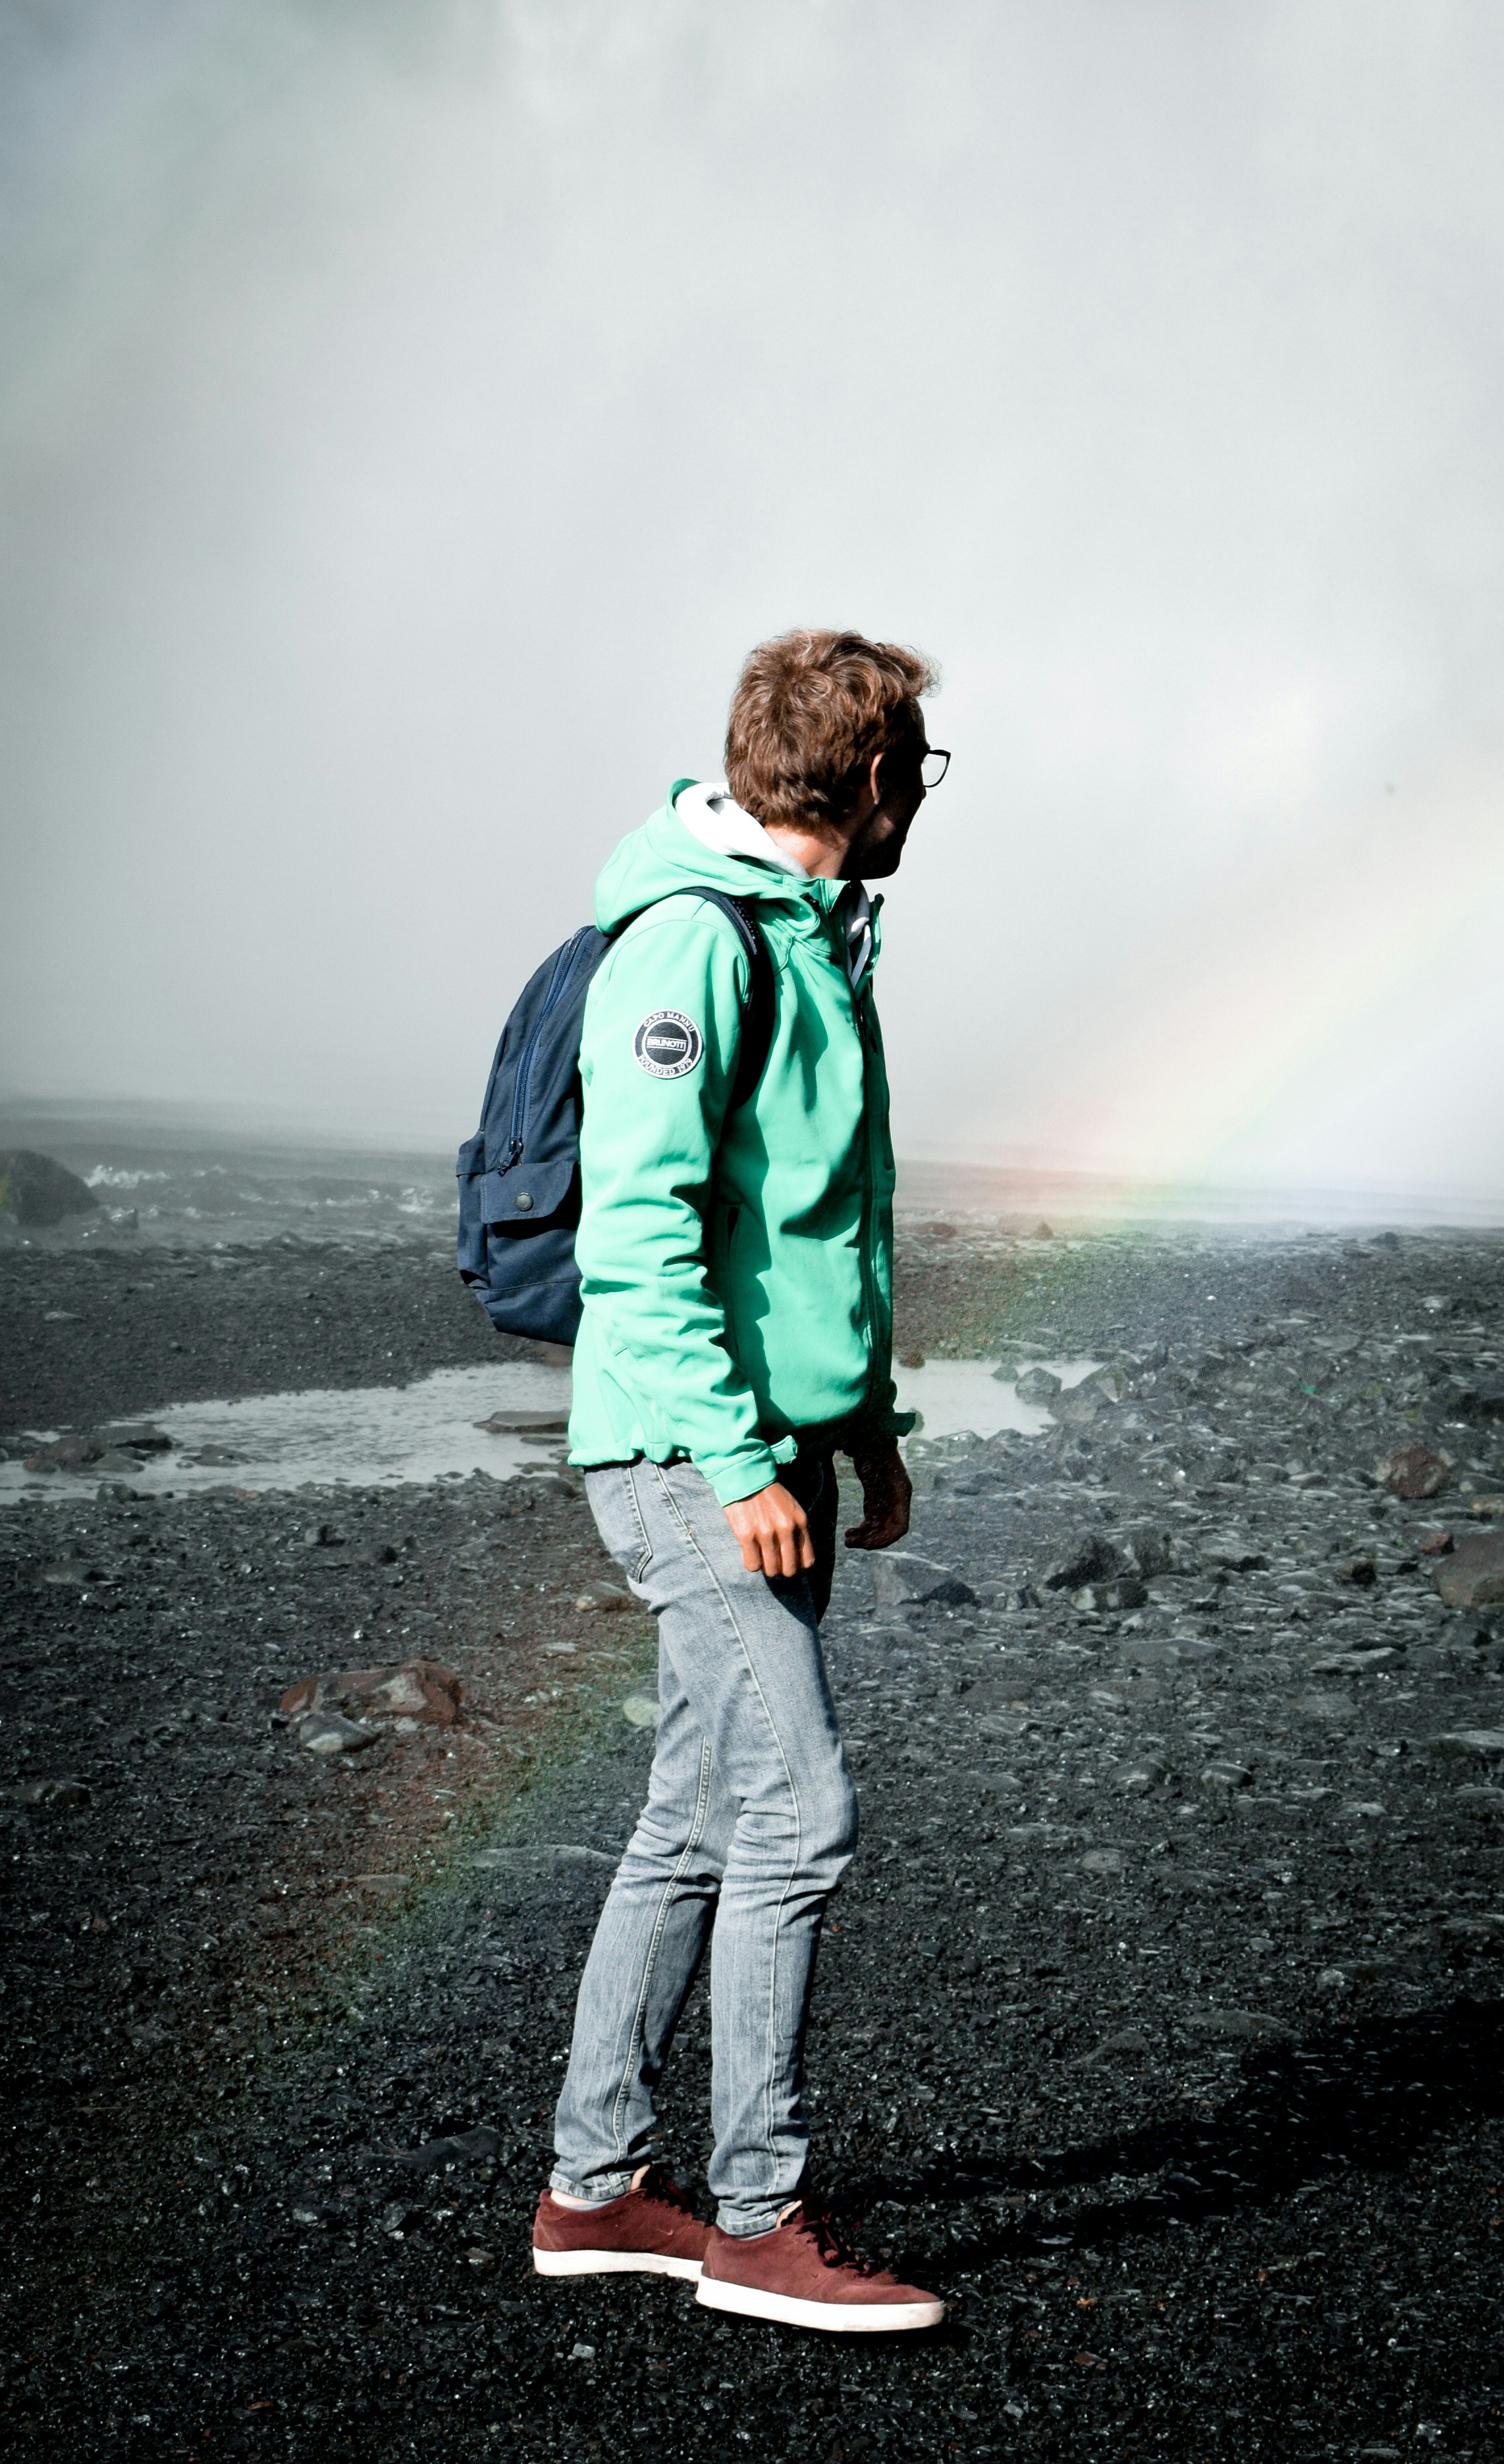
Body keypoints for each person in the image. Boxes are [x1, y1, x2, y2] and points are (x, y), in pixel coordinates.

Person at [531, 629, 949, 2333]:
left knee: (697, 1817)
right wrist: (728, 1457)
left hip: (768, 1448)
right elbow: (636, 1238)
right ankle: (760, 2226)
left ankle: (596, 2186)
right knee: (799, 1814)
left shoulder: (805, 936)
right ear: (865, 778)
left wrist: (865, 1433)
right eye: (913, 766)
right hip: (682, 1449)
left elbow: (800, 1228)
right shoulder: (693, 942)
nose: (919, 796)